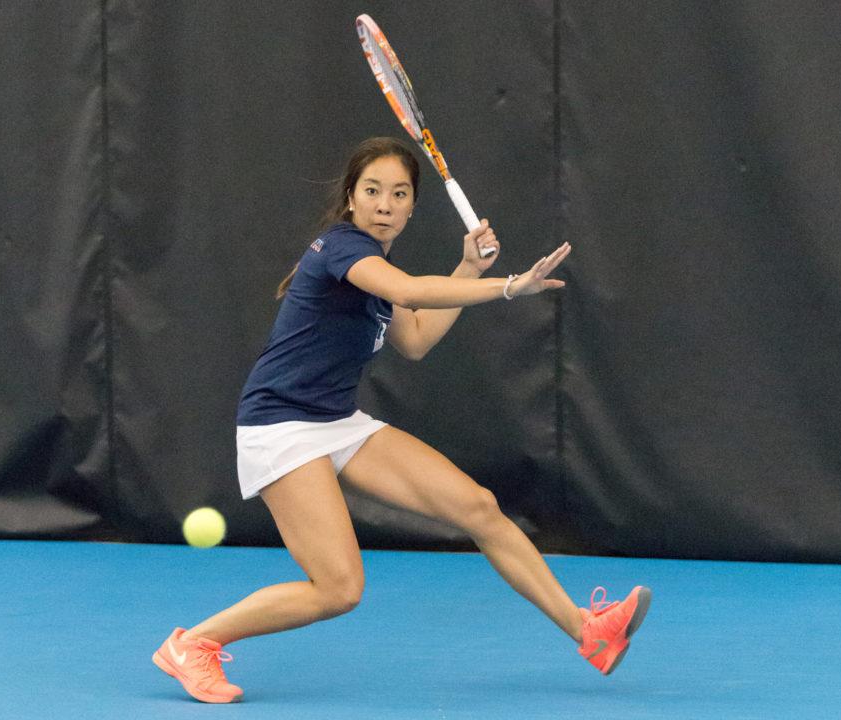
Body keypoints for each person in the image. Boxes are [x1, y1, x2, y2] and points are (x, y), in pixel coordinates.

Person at [152, 137, 651, 703]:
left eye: (398, 193)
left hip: (337, 421)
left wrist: (466, 268)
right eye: (372, 191)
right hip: (280, 427)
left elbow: (414, 339)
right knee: (338, 590)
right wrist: (510, 285)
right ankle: (193, 643)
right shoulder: (340, 249)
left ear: (413, 207)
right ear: (351, 199)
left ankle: (590, 631)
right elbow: (412, 292)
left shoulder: (376, 266)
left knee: (478, 507)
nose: (384, 204)